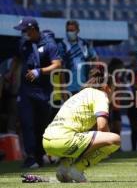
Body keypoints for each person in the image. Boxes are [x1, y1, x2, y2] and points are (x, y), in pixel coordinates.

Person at [43, 68, 120, 183]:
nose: (114, 92)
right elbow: (102, 126)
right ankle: (77, 169)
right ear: (106, 87)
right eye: (114, 88)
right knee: (115, 139)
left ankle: (63, 169)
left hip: (47, 142)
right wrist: (105, 147)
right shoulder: (100, 95)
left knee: (83, 140)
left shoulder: (79, 95)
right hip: (64, 141)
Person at [12, 17, 61, 168]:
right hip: (26, 91)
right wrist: (11, 74)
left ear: (33, 29)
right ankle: (31, 157)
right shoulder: (23, 44)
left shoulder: (49, 45)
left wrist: (40, 71)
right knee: (27, 124)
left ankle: (40, 156)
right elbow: (17, 59)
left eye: (25, 30)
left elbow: (57, 64)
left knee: (41, 125)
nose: (23, 33)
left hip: (42, 92)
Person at [58, 20, 98, 98]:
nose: (70, 33)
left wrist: (93, 73)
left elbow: (95, 58)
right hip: (69, 88)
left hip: (85, 86)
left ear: (78, 31)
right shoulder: (62, 45)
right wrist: (63, 89)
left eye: (72, 30)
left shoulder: (84, 44)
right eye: (68, 30)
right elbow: (61, 69)